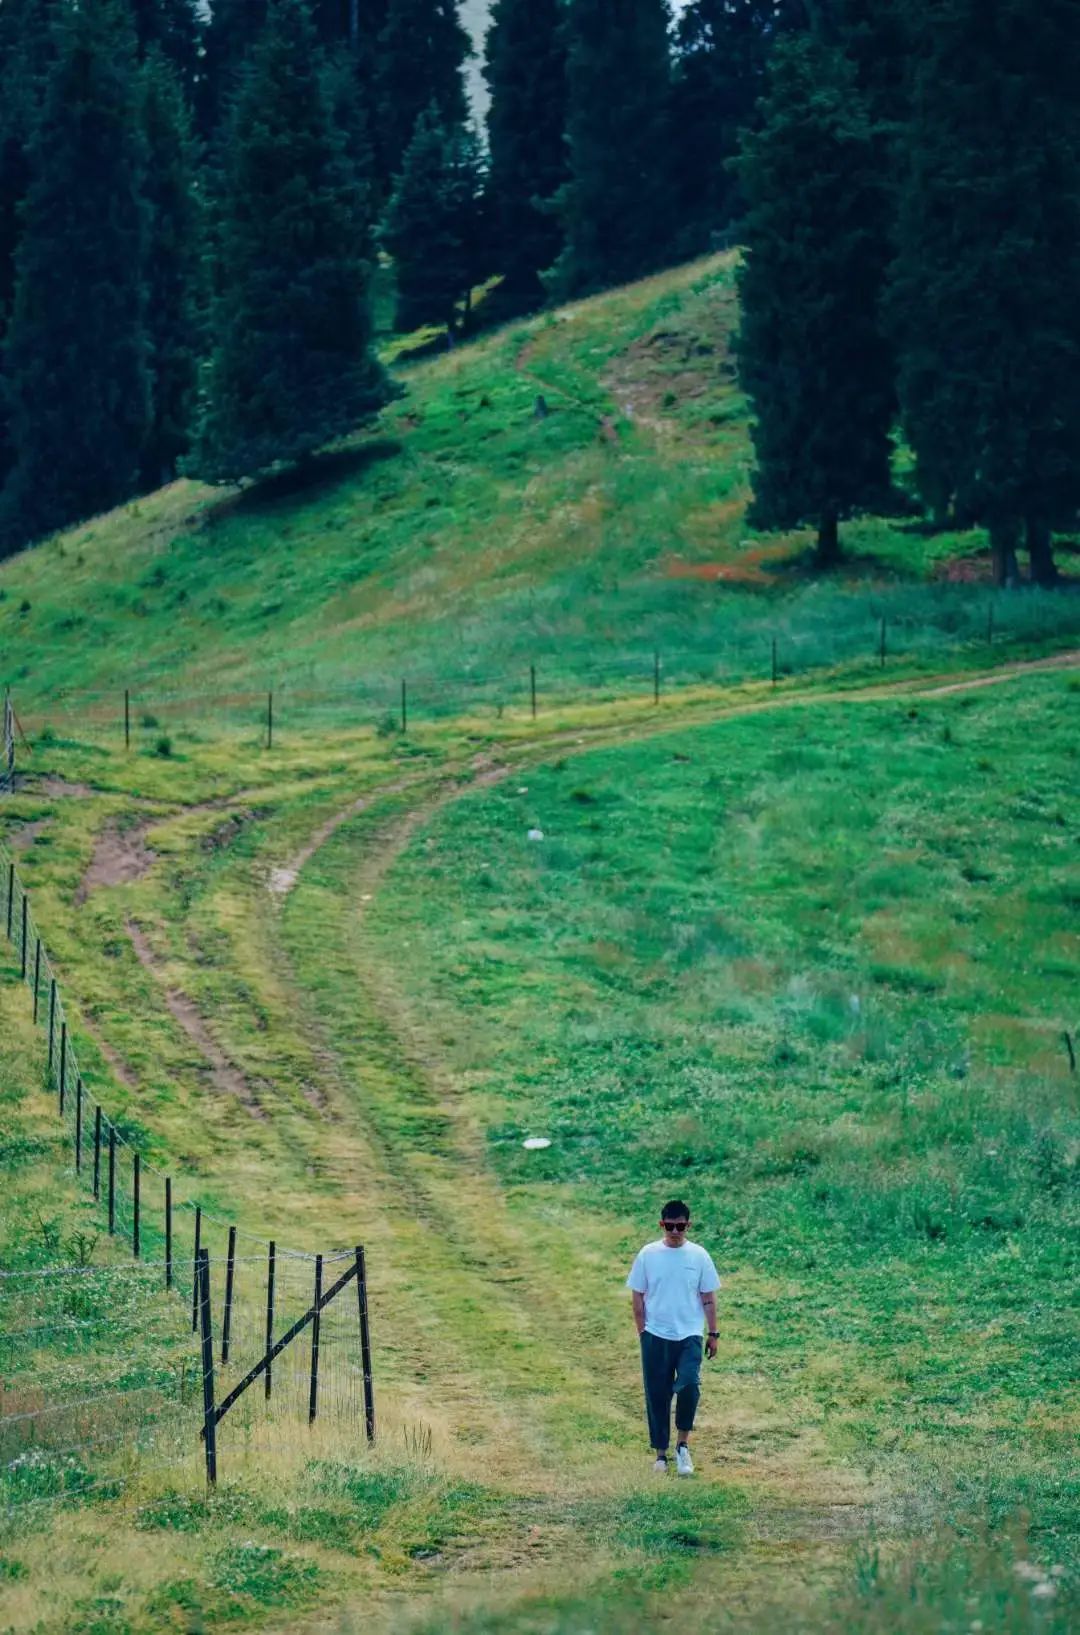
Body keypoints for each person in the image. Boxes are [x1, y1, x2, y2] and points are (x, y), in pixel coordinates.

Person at [626, 1200, 721, 1475]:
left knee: (690, 1384)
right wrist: (642, 1331)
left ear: (688, 1225)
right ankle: (660, 1454)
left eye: (681, 1226)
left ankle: (682, 1446)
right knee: (657, 1393)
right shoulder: (648, 1254)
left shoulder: (699, 1256)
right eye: (670, 1226)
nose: (675, 1231)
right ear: (662, 1225)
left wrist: (713, 1333)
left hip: (689, 1333)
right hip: (655, 1334)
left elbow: (708, 1297)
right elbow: (637, 1295)